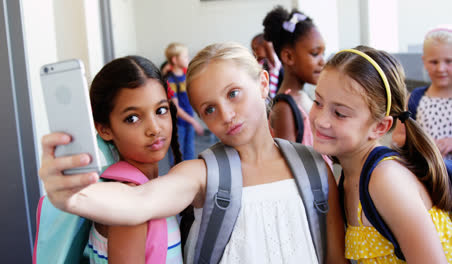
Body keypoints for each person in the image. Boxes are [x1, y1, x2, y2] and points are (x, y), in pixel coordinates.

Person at [38, 42, 346, 264]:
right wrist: (72, 197)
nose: (226, 114)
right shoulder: (202, 173)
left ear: (263, 84)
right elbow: (138, 202)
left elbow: (335, 257)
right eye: (209, 109)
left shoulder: (313, 166)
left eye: (234, 94)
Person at [309, 45, 452, 263]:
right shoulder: (347, 178)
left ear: (380, 127)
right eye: (317, 102)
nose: (321, 120)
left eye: (340, 113)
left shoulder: (386, 179)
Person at [84, 56, 183, 263]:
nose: (154, 128)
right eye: (133, 118)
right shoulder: (128, 203)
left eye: (161, 110)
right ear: (105, 129)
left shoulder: (144, 191)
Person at [263, 6, 325, 143]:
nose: (322, 62)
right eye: (315, 53)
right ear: (289, 56)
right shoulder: (284, 108)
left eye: (323, 54)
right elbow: (289, 163)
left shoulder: (303, 96)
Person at [393, 25, 452, 159]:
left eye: (449, 61)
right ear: (424, 62)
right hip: (425, 172)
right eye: (434, 62)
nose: (441, 68)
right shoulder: (414, 99)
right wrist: (422, 143)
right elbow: (397, 138)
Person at [164, 42, 204, 166]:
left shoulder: (186, 76)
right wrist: (193, 121)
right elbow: (175, 108)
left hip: (188, 121)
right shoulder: (170, 81)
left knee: (190, 154)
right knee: (177, 157)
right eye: (185, 56)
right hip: (178, 125)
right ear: (175, 60)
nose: (188, 59)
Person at [251, 33, 283, 98]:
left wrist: (267, 42)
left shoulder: (274, 64)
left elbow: (269, 46)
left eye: (256, 48)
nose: (254, 52)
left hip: (275, 97)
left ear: (265, 47)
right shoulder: (260, 63)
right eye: (252, 49)